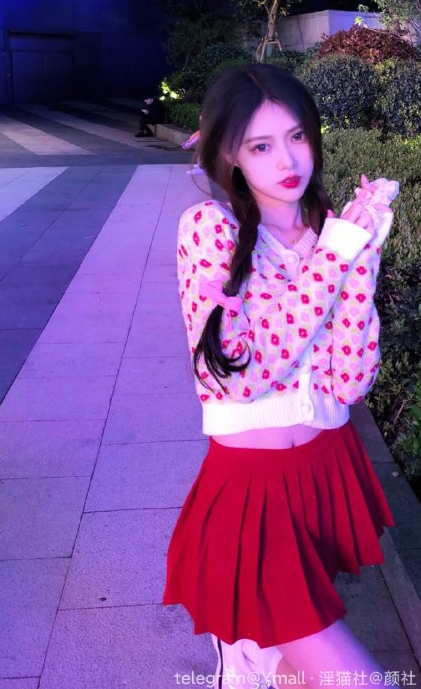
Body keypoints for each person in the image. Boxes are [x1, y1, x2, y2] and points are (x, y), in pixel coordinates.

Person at [163, 64, 400, 688]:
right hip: (254, 494)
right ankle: (253, 654)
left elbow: (349, 382)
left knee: (311, 671)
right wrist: (337, 256)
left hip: (325, 470)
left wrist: (363, 255)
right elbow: (245, 375)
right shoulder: (209, 230)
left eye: (297, 136)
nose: (288, 160)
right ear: (230, 154)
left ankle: (254, 658)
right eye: (261, 146)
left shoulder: (327, 232)